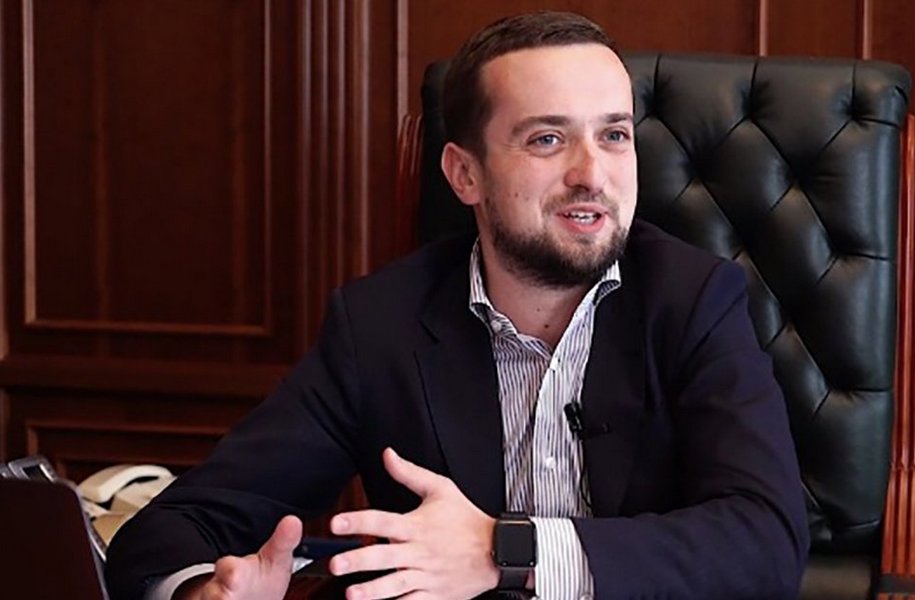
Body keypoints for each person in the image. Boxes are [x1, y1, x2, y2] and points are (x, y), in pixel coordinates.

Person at [105, 11, 808, 600]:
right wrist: (204, 591)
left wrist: (506, 550)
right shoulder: (380, 325)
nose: (592, 173)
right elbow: (174, 530)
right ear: (464, 173)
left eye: (614, 135)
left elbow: (766, 541)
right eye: (548, 139)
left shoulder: (694, 301)